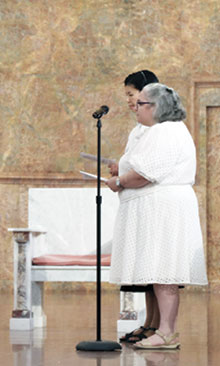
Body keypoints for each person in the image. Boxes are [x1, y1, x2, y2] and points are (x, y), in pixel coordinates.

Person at [106, 83, 208, 349]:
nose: (135, 108)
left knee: (164, 271)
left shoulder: (164, 132)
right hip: (162, 208)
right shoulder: (167, 130)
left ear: (155, 107)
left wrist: (119, 182)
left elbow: (143, 174)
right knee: (162, 271)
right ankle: (164, 331)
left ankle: (167, 333)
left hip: (163, 210)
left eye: (140, 103)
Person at [112, 70, 162, 344]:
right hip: (138, 204)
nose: (129, 102)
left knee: (156, 271)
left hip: (153, 204)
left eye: (131, 95)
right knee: (146, 271)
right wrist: (120, 168)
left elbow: (151, 168)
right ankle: (148, 323)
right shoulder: (140, 128)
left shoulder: (160, 128)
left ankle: (158, 327)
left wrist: (122, 178)